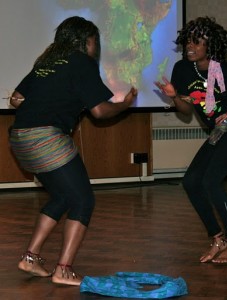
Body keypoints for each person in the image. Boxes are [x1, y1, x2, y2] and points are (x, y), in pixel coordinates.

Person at [9, 16, 137, 286]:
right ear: (86, 41)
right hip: (46, 138)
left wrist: (47, 100)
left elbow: (15, 99)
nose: (96, 47)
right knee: (83, 200)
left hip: (20, 139)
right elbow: (100, 111)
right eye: (94, 41)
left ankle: (30, 259)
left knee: (63, 197)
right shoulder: (82, 62)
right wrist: (125, 105)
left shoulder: (46, 63)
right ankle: (63, 270)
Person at [155, 16, 227, 264]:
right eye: (188, 40)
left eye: (197, 42)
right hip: (220, 130)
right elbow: (186, 113)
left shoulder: (225, 69)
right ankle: (218, 238)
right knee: (191, 181)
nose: (190, 46)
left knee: (210, 181)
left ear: (210, 45)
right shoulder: (182, 69)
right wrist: (174, 97)